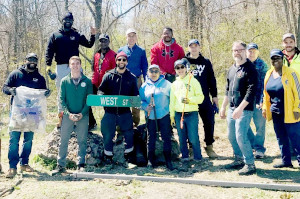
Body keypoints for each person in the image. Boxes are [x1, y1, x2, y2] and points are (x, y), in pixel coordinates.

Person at [45, 11, 96, 128]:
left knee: (81, 94)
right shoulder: (55, 35)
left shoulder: (76, 34)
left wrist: (93, 35)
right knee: (61, 94)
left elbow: (88, 44)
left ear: (72, 21)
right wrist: (48, 67)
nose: (68, 22)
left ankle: (84, 121)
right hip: (61, 66)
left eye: (70, 20)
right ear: (62, 21)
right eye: (66, 19)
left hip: (76, 66)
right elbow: (49, 52)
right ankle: (61, 120)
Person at [3, 53, 50, 178]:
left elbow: (43, 92)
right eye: (30, 59)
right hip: (17, 113)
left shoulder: (40, 78)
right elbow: (4, 87)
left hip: (33, 113)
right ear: (25, 60)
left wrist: (46, 93)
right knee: (14, 140)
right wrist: (11, 91)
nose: (32, 62)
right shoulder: (16, 74)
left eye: (35, 59)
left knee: (28, 140)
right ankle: (12, 167)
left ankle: (24, 163)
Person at [220, 41, 258, 175]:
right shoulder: (232, 68)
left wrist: (240, 108)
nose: (237, 53)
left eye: (240, 50)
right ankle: (239, 159)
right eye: (235, 50)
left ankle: (250, 164)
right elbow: (227, 90)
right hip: (231, 108)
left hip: (244, 109)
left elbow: (251, 91)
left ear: (245, 51)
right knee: (231, 135)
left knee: (240, 136)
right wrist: (223, 107)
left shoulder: (250, 68)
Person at [52, 56, 93, 175]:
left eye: (77, 64)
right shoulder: (64, 81)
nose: (75, 66)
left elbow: (89, 100)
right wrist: (68, 113)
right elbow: (61, 99)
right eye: (72, 64)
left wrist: (82, 113)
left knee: (82, 140)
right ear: (69, 66)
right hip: (67, 116)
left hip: (82, 115)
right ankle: (60, 165)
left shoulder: (87, 81)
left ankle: (80, 164)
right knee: (64, 140)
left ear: (80, 65)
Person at [98, 51, 139, 166]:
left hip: (124, 112)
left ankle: (129, 158)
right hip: (110, 111)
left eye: (123, 60)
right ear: (116, 61)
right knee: (107, 133)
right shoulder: (108, 75)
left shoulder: (131, 78)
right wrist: (101, 96)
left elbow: (135, 94)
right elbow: (101, 90)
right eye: (119, 60)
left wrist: (136, 100)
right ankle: (108, 157)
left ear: (127, 62)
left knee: (129, 134)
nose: (121, 62)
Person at [262, 49, 300, 168]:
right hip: (275, 111)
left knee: (295, 138)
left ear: (282, 59)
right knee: (281, 137)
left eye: (278, 58)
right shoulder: (268, 74)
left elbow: (298, 92)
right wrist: (264, 107)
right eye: (273, 58)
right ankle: (286, 161)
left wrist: (297, 109)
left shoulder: (291, 73)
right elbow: (265, 93)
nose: (275, 60)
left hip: (290, 111)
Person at [185, 39, 219, 158]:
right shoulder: (185, 61)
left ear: (199, 47)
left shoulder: (206, 62)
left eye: (196, 46)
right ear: (188, 48)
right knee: (190, 123)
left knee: (209, 121)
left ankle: (209, 146)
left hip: (204, 98)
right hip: (189, 99)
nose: (193, 48)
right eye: (191, 46)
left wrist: (214, 96)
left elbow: (212, 80)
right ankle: (191, 148)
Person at [170, 58, 204, 168]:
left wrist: (190, 100)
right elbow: (172, 101)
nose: (180, 70)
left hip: (192, 113)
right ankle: (184, 157)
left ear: (186, 68)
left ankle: (198, 157)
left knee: (193, 137)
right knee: (182, 137)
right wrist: (172, 115)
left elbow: (201, 98)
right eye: (177, 68)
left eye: (182, 67)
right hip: (179, 114)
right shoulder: (174, 84)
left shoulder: (193, 81)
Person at [139, 64, 174, 170]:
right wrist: (145, 107)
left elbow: (173, 99)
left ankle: (168, 161)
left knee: (166, 138)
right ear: (148, 73)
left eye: (156, 71)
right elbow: (139, 101)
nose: (154, 73)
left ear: (160, 73)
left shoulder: (167, 84)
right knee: (151, 138)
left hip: (164, 115)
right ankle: (150, 161)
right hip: (151, 116)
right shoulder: (144, 86)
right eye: (151, 71)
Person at [118, 28, 148, 127]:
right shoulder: (121, 50)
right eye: (129, 36)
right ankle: (122, 127)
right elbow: (118, 65)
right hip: (124, 80)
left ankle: (135, 125)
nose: (131, 38)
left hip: (137, 80)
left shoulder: (141, 50)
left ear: (136, 37)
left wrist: (146, 81)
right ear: (126, 37)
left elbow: (144, 66)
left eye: (133, 36)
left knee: (136, 103)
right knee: (123, 103)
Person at [246, 43, 269, 159]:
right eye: (249, 51)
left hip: (258, 99)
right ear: (246, 52)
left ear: (257, 52)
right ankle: (252, 144)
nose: (251, 53)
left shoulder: (262, 65)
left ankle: (259, 148)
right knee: (244, 124)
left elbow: (266, 84)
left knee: (260, 125)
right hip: (245, 100)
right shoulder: (242, 64)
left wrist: (262, 100)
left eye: (254, 51)